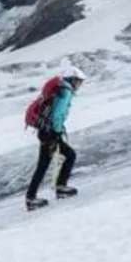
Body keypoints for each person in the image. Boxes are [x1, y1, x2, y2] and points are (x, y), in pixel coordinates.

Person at [26, 66, 84, 210]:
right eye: (78, 82)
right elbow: (57, 114)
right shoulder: (65, 92)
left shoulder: (59, 89)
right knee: (54, 161)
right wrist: (57, 132)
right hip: (50, 133)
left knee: (57, 159)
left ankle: (58, 187)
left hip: (46, 131)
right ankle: (33, 197)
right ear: (72, 79)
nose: (79, 85)